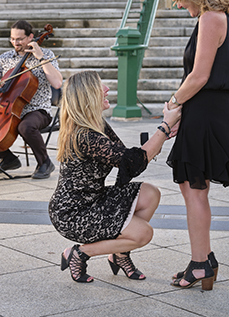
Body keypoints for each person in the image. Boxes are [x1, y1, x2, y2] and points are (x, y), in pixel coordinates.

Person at [165, 0, 229, 290]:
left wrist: (173, 104)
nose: (178, 3)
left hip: (207, 112)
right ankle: (203, 259)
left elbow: (199, 76)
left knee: (194, 190)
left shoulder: (210, 18)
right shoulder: (218, 16)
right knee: (193, 188)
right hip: (206, 110)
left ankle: (201, 264)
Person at [49, 71, 181, 283]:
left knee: (150, 194)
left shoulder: (96, 125)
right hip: (74, 214)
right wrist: (164, 128)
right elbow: (133, 162)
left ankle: (119, 253)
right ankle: (79, 253)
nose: (107, 90)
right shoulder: (86, 136)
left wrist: (163, 134)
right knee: (143, 234)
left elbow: (129, 159)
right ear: (89, 95)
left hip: (93, 200)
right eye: (101, 87)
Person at [0, 20, 63, 179]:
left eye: (20, 39)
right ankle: (7, 159)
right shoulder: (6, 58)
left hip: (36, 110)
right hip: (7, 109)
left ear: (30, 37)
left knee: (25, 126)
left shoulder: (46, 55)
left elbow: (57, 82)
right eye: (13, 39)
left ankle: (45, 163)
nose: (15, 43)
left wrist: (40, 57)